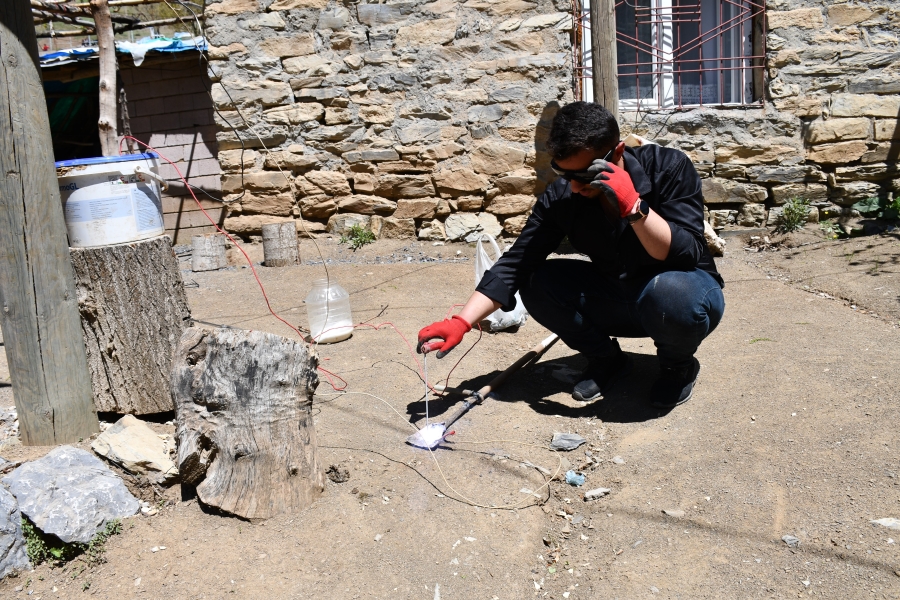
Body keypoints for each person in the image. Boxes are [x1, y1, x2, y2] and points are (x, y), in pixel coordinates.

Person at [417, 101, 725, 408]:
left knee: (670, 294)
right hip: (619, 296)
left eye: (586, 176)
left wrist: (633, 206)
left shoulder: (668, 167)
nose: (575, 187)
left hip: (684, 296)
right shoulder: (562, 196)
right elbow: (517, 263)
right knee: (537, 282)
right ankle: (607, 361)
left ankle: (677, 367)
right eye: (565, 175)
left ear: (616, 153)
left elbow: (684, 254)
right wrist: (461, 322)